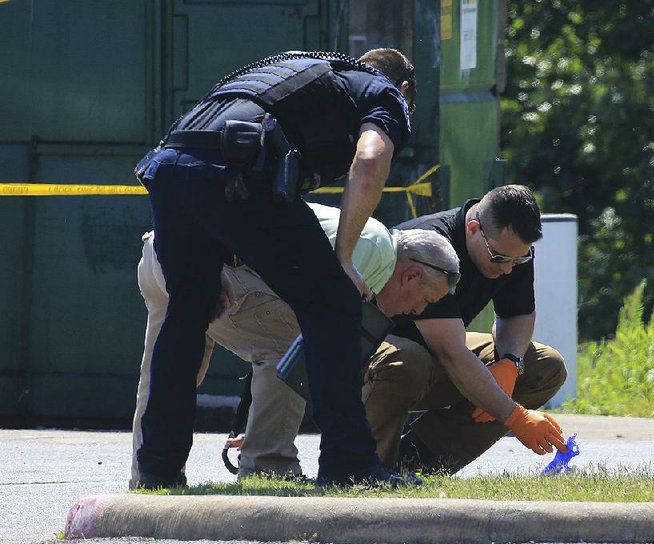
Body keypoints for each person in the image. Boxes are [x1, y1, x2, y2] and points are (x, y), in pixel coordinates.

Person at [132, 48, 419, 488]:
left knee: (189, 311)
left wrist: (217, 263)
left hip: (171, 164)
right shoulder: (385, 93)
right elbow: (369, 160)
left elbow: (206, 152)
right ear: (403, 90)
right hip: (234, 170)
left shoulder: (299, 68)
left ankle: (157, 469)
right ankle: (351, 465)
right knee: (334, 303)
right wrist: (342, 259)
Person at [130, 203, 459, 488]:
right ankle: (268, 465)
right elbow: (304, 350)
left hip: (164, 250)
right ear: (412, 275)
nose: (417, 312)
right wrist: (266, 434)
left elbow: (268, 324)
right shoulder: (374, 250)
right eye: (425, 300)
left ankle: (149, 475)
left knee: (166, 370)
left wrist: (263, 423)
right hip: (208, 260)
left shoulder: (372, 243)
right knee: (296, 343)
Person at [361, 184, 569, 474]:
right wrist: (516, 417)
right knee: (408, 361)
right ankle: (365, 466)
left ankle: (417, 463)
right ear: (473, 229)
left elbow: (518, 315)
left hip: (437, 354)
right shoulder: (432, 247)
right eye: (500, 259)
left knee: (545, 366)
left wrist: (510, 363)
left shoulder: (509, 248)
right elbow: (450, 352)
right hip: (369, 356)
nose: (509, 269)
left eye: (519, 259)